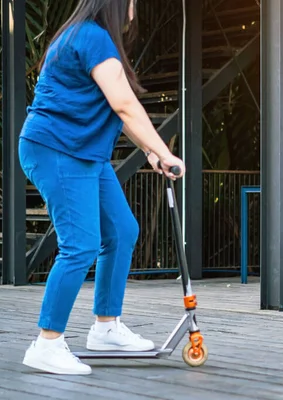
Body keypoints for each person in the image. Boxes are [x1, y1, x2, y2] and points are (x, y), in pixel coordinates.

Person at [19, 0, 185, 375]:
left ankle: (106, 327)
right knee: (80, 244)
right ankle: (47, 343)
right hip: (56, 149)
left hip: (83, 152)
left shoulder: (87, 38)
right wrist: (163, 150)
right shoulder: (92, 38)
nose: (134, 9)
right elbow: (126, 104)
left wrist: (150, 151)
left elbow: (115, 107)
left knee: (122, 231)